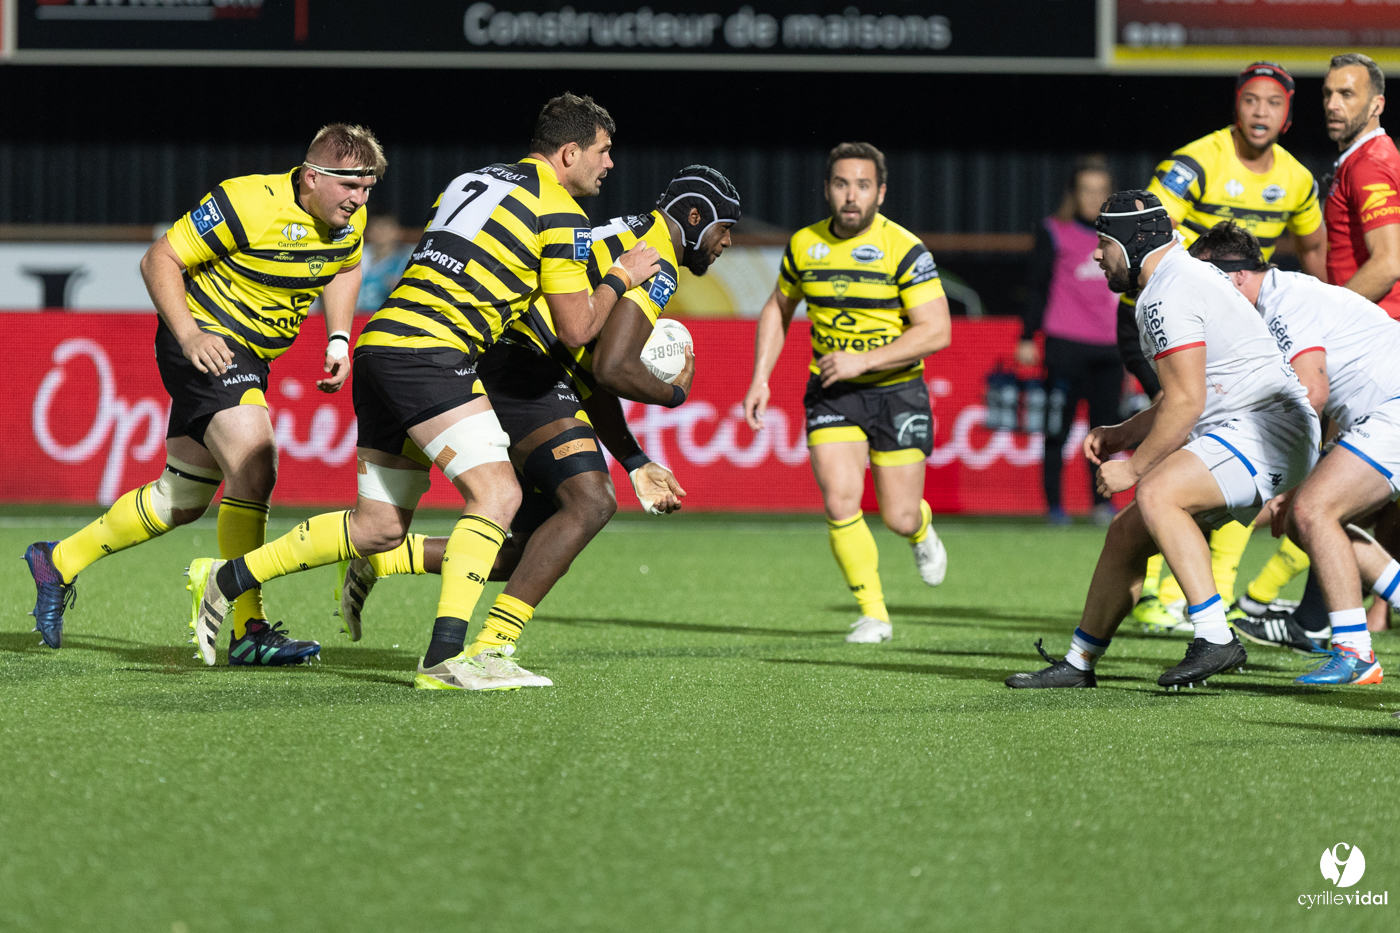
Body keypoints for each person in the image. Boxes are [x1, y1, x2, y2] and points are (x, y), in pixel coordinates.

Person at [184, 93, 661, 689]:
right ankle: (444, 660)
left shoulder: (470, 181)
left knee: (378, 528)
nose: (609, 164)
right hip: (431, 353)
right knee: (498, 494)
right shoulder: (562, 214)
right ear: (569, 152)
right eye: (603, 151)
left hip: (380, 345)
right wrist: (621, 275)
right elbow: (578, 329)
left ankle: (225, 578)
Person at [333, 167, 740, 675]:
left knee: (529, 548)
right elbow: (613, 368)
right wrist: (674, 392)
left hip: (516, 360)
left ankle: (382, 558)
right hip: (521, 364)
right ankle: (490, 649)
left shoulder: (626, 231)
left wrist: (635, 460)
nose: (726, 242)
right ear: (695, 217)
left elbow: (590, 375)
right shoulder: (655, 259)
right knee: (590, 502)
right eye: (725, 228)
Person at [23, 124, 382, 663]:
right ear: (311, 177)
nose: (359, 200)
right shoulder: (247, 201)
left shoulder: (345, 220)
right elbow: (158, 260)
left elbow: (346, 266)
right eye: (350, 186)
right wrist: (191, 335)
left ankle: (56, 561)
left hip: (252, 357)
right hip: (207, 342)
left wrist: (337, 337)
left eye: (368, 188)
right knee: (256, 463)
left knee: (180, 499)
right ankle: (247, 628)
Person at [1007, 191, 1319, 689]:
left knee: (1156, 492)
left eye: (1104, 243)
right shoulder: (1177, 279)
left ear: (1133, 243)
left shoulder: (1167, 291)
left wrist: (1132, 469)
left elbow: (1186, 402)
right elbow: (1184, 394)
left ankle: (1215, 636)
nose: (1096, 255)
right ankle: (1079, 662)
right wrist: (1121, 434)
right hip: (1263, 428)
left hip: (1265, 428)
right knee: (1125, 535)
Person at [1125, 61, 1326, 636]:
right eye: (1251, 99)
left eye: (1274, 102)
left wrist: (1321, 314)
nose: (1261, 111)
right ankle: (1164, 594)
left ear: (1288, 118)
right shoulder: (1195, 163)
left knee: (1235, 457)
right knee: (1189, 441)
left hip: (1234, 333)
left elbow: (1314, 249)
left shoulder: (1298, 180)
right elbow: (1146, 231)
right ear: (1235, 107)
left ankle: (1197, 595)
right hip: (1171, 323)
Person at [742, 142, 952, 645]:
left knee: (898, 515)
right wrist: (760, 377)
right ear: (827, 189)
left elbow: (937, 330)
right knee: (839, 501)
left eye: (862, 185)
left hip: (897, 390)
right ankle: (874, 614)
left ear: (880, 192)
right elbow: (777, 307)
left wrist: (865, 359)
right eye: (841, 184)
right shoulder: (804, 245)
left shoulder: (904, 248)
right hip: (833, 391)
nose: (851, 196)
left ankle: (920, 529)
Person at [1189, 222, 1396, 684]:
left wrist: (1296, 482)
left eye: (1207, 284)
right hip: (1383, 414)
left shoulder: (1285, 301)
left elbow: (1312, 391)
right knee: (1312, 524)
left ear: (1238, 276)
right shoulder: (1280, 298)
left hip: (1393, 410)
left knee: (1313, 510)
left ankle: (1355, 652)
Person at [1018, 157, 1122, 526]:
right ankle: (1054, 508)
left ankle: (1101, 504)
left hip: (1110, 346)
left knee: (1105, 433)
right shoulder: (1054, 231)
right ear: (1073, 194)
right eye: (1086, 190)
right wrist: (1027, 336)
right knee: (1056, 429)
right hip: (1064, 345)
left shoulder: (1120, 235)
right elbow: (1037, 287)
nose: (1093, 198)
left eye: (1100, 191)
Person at [355, 213, 411, 312]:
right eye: (376, 227)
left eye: (386, 227)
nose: (381, 232)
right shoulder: (359, 258)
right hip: (359, 316)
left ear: (398, 232)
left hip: (389, 316)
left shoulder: (406, 262)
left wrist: (402, 289)